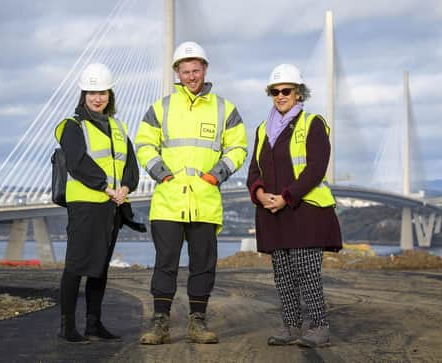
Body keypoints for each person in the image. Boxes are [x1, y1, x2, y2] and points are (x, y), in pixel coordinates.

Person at [135, 41, 248, 345]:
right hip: (168, 201)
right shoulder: (162, 108)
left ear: (205, 69)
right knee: (165, 264)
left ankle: (197, 323)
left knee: (203, 265)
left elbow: (238, 147)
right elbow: (144, 144)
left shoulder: (225, 108)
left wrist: (218, 173)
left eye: (196, 70)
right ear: (177, 72)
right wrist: (162, 173)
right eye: (185, 71)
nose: (191, 76)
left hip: (206, 200)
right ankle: (160, 324)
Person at [246, 63, 342, 348]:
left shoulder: (312, 123)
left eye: (286, 90)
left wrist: (286, 197)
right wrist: (260, 193)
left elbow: (316, 169)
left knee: (306, 271)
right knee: (283, 274)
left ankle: (319, 326)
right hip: (273, 214)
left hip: (304, 212)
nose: (280, 96)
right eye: (274, 92)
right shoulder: (263, 129)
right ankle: (290, 326)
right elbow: (254, 171)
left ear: (299, 92)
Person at [54, 62, 145, 343]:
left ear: (110, 94)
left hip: (113, 207)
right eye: (91, 92)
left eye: (102, 92)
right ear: (83, 95)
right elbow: (78, 163)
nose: (97, 98)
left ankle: (94, 323)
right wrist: (107, 188)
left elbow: (130, 164)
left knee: (100, 267)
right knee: (76, 266)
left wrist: (126, 187)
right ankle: (68, 327)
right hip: (86, 205)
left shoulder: (118, 126)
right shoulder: (71, 126)